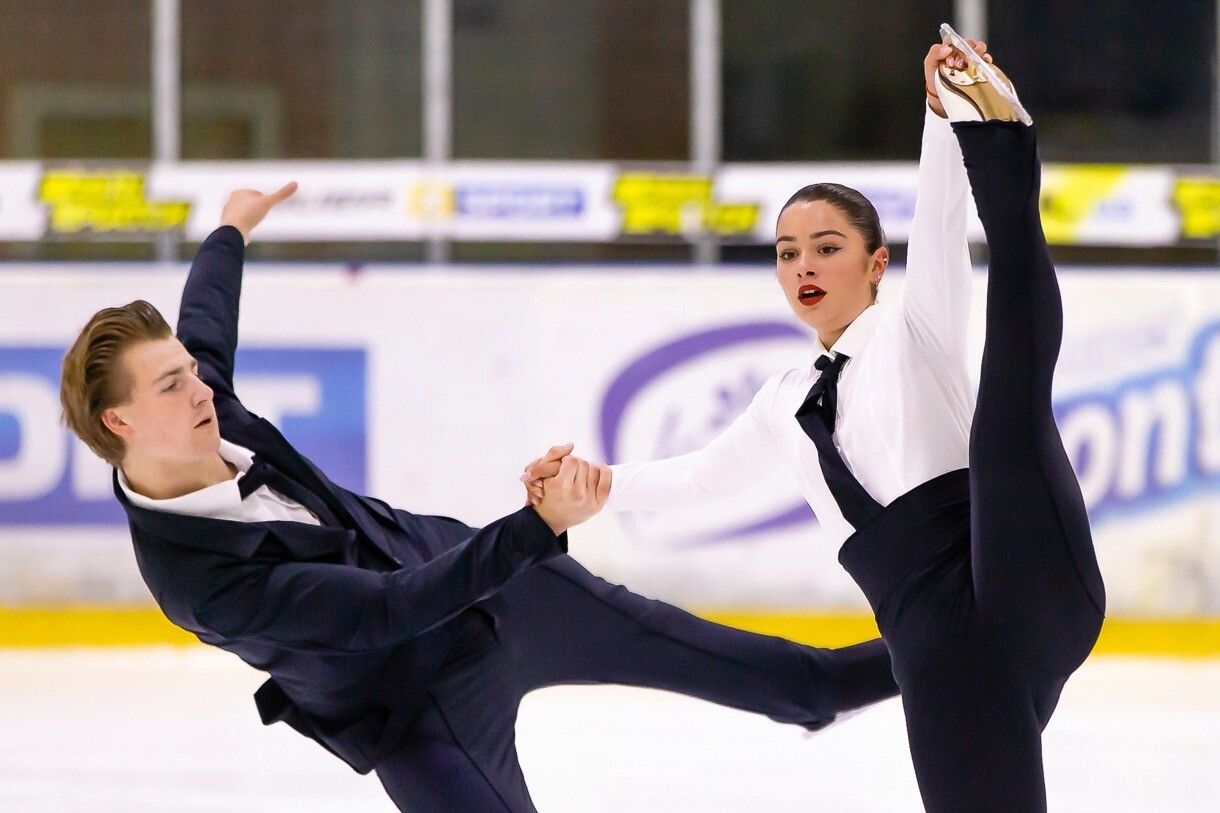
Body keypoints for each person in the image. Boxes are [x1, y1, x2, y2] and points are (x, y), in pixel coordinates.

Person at [58, 185, 899, 811]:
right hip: (410, 704)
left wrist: (231, 225)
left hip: (495, 587)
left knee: (800, 684)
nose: (200, 388)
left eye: (191, 372)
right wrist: (536, 526)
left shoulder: (212, 406)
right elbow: (388, 611)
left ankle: (960, 639)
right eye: (172, 385)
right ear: (120, 420)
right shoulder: (198, 580)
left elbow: (205, 321)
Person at [526, 32, 1105, 812]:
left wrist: (940, 117)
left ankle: (1002, 142)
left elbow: (936, 224)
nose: (803, 266)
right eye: (788, 252)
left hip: (1016, 569)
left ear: (874, 266)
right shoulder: (784, 402)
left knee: (1010, 403)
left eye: (826, 248)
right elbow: (699, 476)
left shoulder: (916, 331)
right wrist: (595, 487)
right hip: (938, 645)